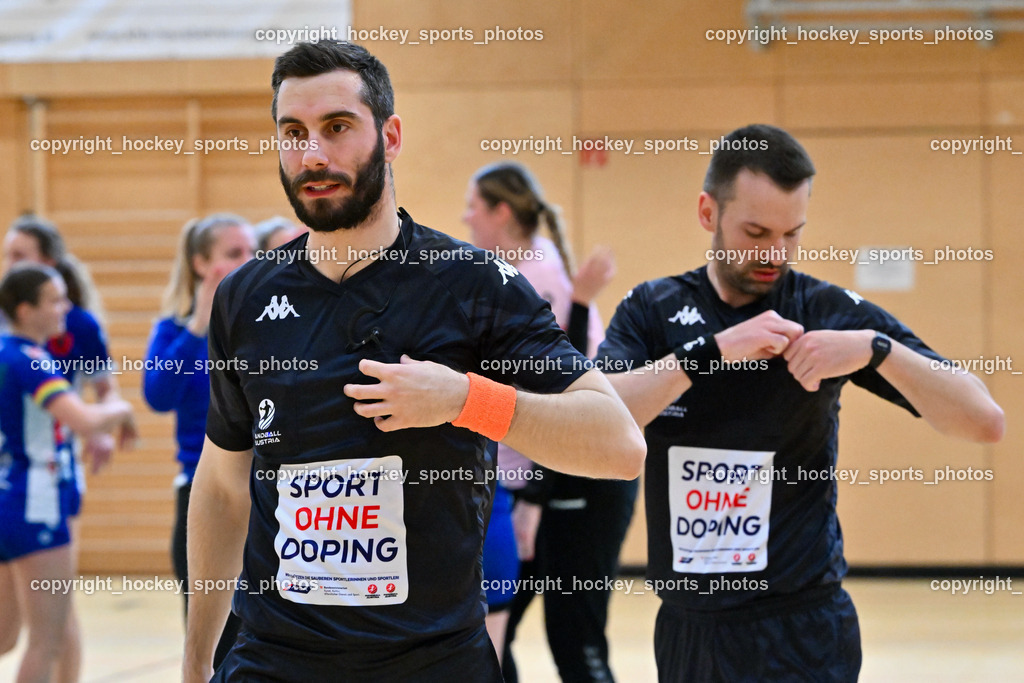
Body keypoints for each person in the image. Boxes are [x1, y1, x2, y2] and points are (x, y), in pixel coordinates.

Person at [182, 40, 645, 683]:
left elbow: (619, 444)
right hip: (273, 660)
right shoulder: (246, 296)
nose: (313, 154)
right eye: (293, 133)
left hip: (432, 663)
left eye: (337, 128)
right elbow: (224, 487)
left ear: (391, 135)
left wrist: (464, 400)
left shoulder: (473, 283)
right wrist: (196, 661)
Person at [595, 123, 1005, 682]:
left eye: (792, 234)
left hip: (803, 626)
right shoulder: (653, 309)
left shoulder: (825, 310)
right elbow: (597, 422)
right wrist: (707, 355)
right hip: (694, 629)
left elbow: (984, 421)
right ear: (707, 212)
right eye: (757, 231)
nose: (775, 253)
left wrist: (875, 350)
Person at [463, 161, 637, 683]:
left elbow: (562, 404)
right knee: (491, 630)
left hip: (571, 480)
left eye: (473, 206)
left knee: (572, 637)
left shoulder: (537, 280)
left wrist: (534, 502)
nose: (464, 217)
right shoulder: (511, 272)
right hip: (527, 481)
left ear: (501, 212)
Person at [0, 214, 136, 683]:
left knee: (19, 629)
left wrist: (103, 416)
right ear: (26, 306)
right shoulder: (29, 356)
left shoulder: (71, 328)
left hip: (28, 481)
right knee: (46, 632)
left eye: (18, 255)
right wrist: (117, 415)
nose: (8, 264)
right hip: (35, 493)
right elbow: (83, 415)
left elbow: (100, 390)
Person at [143, 213, 255, 668]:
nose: (247, 262)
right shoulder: (175, 330)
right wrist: (200, 324)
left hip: (265, 496)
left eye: (251, 251)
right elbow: (157, 394)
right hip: (204, 494)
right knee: (212, 648)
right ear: (199, 263)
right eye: (233, 254)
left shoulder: (264, 321)